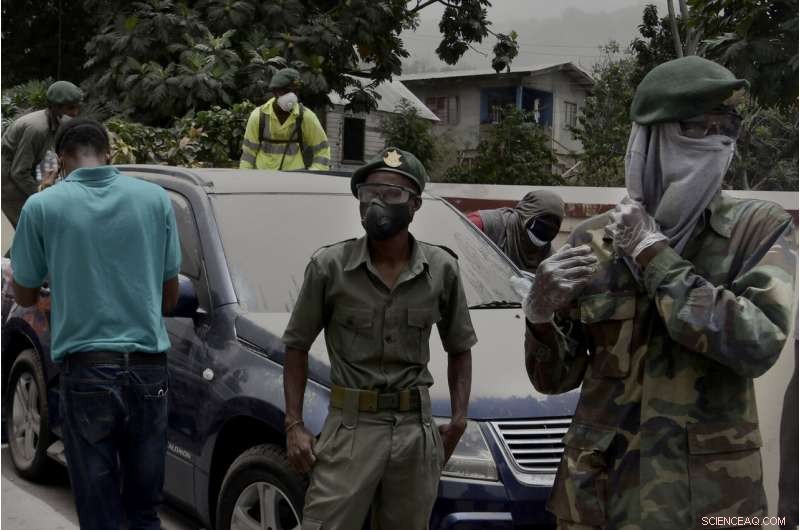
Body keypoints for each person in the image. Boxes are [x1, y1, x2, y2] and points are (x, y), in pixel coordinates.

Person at [522, 56, 797, 530]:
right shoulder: (592, 241)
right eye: (696, 128)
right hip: (603, 499)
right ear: (649, 138)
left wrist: (655, 255)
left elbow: (758, 344)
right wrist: (540, 316)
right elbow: (556, 379)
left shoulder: (759, 229)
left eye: (725, 128)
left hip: (716, 504)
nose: (715, 144)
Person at [282, 147, 476, 529]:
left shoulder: (441, 270)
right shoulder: (330, 267)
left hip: (414, 433)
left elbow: (459, 348)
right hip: (351, 429)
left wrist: (458, 419)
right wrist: (293, 424)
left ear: (415, 204)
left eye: (391, 194)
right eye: (369, 193)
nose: (377, 204)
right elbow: (296, 346)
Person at [10, 118, 181, 530]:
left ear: (62, 160)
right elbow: (170, 297)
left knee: (98, 511)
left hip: (87, 372)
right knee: (144, 510)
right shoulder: (155, 199)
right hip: (149, 371)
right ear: (109, 153)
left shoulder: (44, 205)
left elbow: (25, 296)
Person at [1, 80, 83, 227]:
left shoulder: (59, 122)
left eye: (77, 107)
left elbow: (49, 156)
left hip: (25, 174)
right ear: (55, 107)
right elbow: (19, 172)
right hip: (8, 181)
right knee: (27, 229)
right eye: (70, 108)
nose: (75, 113)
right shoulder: (37, 129)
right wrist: (43, 196)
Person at [240, 67, 331, 171]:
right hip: (263, 179)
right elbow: (248, 154)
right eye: (286, 91)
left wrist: (314, 173)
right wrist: (245, 178)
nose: (291, 96)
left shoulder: (306, 117)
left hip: (295, 180)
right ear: (274, 92)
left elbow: (323, 150)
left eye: (294, 92)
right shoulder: (259, 116)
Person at [467, 190, 565, 273]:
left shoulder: (549, 259)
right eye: (545, 218)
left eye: (555, 222)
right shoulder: (484, 224)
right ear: (526, 212)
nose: (548, 226)